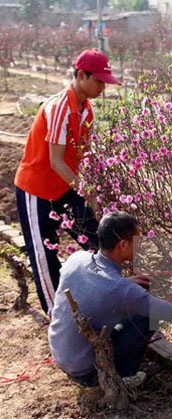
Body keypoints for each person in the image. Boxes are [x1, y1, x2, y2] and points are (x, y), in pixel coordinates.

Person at [48, 212, 172, 387]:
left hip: (62, 355)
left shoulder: (77, 259)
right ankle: (125, 376)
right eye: (138, 240)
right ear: (123, 245)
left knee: (137, 309)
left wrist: (125, 282)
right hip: (88, 372)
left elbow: (94, 287)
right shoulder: (120, 289)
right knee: (147, 317)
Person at [14, 49, 120, 314]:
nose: (102, 88)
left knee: (97, 240)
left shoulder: (86, 110)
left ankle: (108, 300)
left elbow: (81, 155)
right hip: (36, 190)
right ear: (82, 75)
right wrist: (89, 191)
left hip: (65, 187)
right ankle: (57, 315)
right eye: (98, 81)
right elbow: (56, 161)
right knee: (44, 256)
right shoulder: (60, 107)